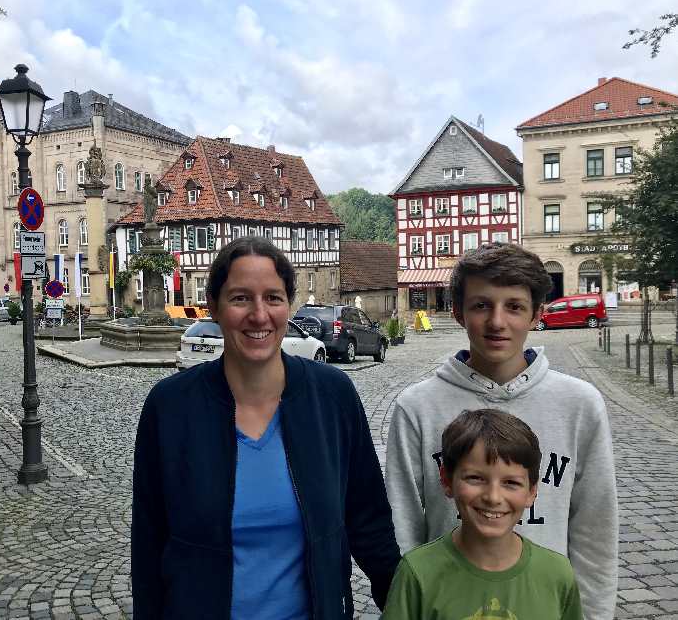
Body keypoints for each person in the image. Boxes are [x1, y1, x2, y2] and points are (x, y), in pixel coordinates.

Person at [131, 236, 401, 620]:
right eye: (241, 298)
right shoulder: (171, 407)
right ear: (214, 307)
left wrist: (403, 599)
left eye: (273, 298)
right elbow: (148, 542)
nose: (259, 315)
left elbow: (368, 520)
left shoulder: (332, 397)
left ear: (288, 305)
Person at [385, 242, 617, 620]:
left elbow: (595, 527)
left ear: (536, 314)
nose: (497, 321)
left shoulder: (579, 404)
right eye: (481, 305)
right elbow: (404, 525)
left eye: (514, 306)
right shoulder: (417, 407)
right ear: (459, 312)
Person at [382, 409, 583, 620]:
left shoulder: (557, 575)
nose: (493, 497)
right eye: (476, 478)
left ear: (532, 491)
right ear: (447, 480)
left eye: (511, 482)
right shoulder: (417, 573)